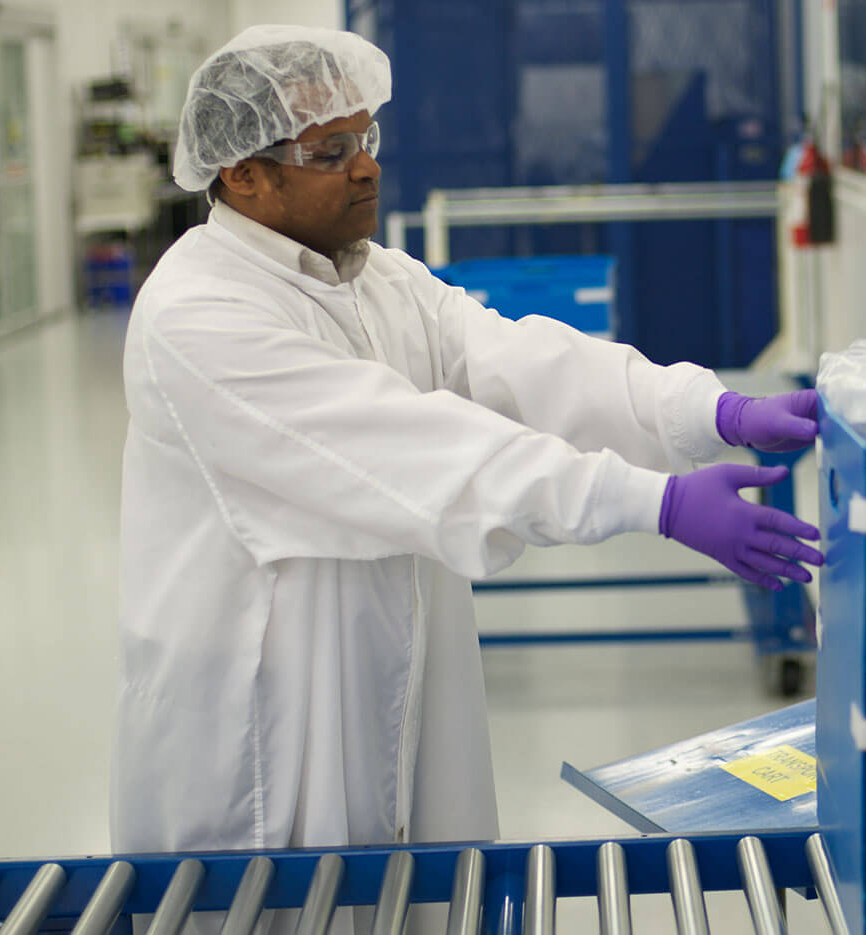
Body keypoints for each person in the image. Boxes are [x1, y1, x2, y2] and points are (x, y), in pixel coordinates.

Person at [111, 24, 824, 875]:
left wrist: (713, 408)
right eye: (331, 149)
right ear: (244, 173)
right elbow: (417, 449)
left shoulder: (371, 276)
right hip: (262, 731)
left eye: (366, 136)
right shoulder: (201, 314)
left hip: (384, 681)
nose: (367, 166)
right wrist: (653, 502)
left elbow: (523, 358)